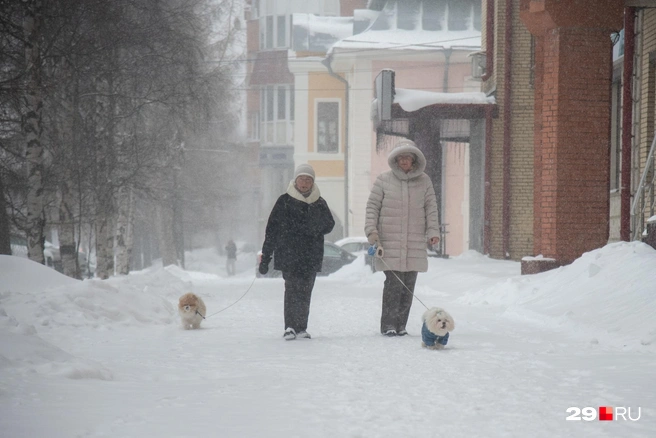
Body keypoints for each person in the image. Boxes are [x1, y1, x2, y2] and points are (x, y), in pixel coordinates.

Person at [365, 139, 440, 337]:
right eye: (401, 158)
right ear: (395, 160)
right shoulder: (383, 180)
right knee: (394, 284)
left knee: (408, 285)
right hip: (389, 242)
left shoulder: (424, 181)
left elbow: (431, 208)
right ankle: (389, 324)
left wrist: (433, 232)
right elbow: (372, 207)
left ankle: (401, 325)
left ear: (414, 159)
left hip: (414, 241)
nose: (404, 161)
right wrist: (372, 232)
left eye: (407, 157)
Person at [259, 164, 335, 340]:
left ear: (312, 182)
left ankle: (302, 327)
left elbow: (329, 224)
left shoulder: (319, 202)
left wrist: (314, 227)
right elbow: (272, 230)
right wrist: (266, 257)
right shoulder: (284, 201)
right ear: (295, 181)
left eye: (309, 179)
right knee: (292, 290)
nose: (305, 183)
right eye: (302, 179)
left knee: (306, 291)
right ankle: (290, 327)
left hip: (311, 255)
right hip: (289, 254)